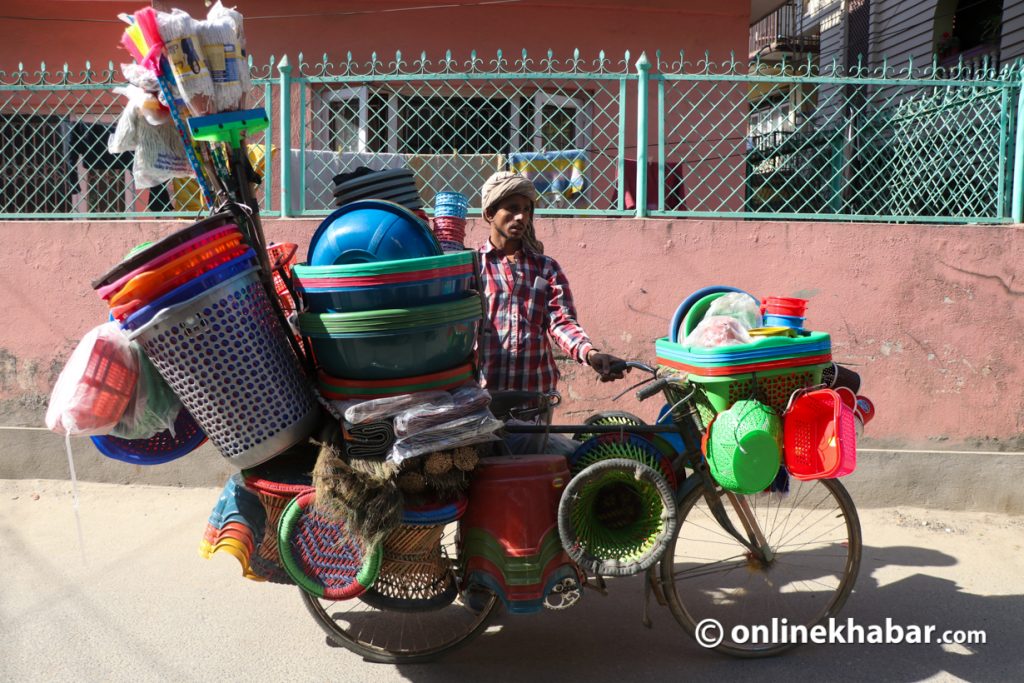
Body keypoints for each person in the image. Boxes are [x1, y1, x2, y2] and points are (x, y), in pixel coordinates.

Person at [476, 171, 627, 455]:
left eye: (526, 210)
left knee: (528, 479)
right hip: (485, 400)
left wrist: (590, 354)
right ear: (489, 213)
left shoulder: (546, 268)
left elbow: (561, 322)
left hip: (533, 401)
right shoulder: (474, 267)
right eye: (512, 209)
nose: (521, 217)